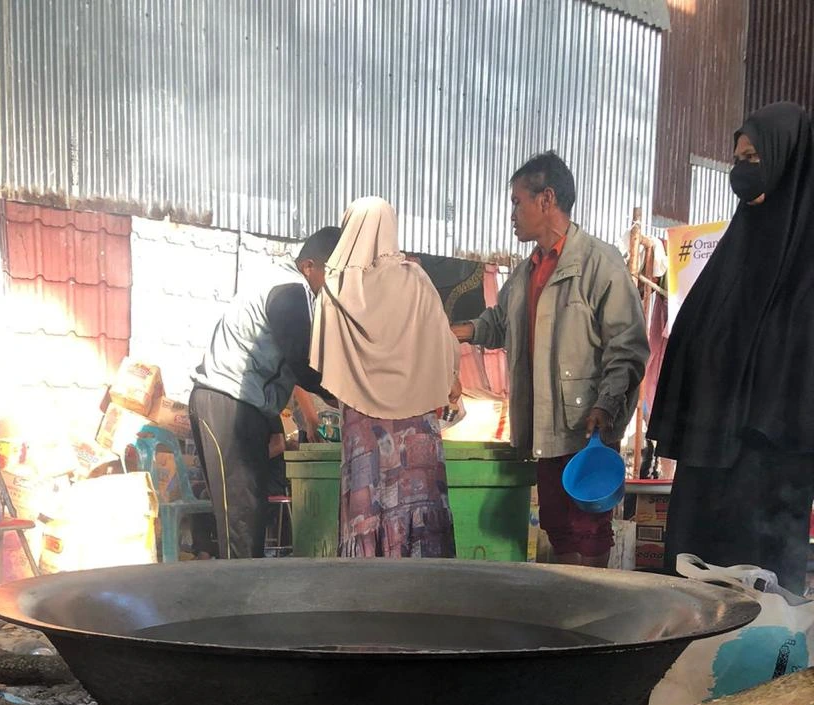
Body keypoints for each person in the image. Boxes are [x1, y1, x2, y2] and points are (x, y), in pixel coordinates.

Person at [452, 152, 648, 567]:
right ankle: (569, 617)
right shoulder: (526, 272)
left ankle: (591, 618)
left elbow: (627, 347)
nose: (512, 214)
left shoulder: (600, 263)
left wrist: (606, 405)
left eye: (517, 202)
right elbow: (498, 322)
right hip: (546, 425)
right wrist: (459, 332)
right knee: (558, 527)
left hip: (587, 426)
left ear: (547, 199)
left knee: (590, 529)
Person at [649, 103, 814, 594]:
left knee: (759, 608)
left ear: (790, 162)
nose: (741, 170)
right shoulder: (733, 255)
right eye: (738, 157)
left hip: (771, 479)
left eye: (754, 157)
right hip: (706, 466)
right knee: (693, 592)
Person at [310, 197, 460, 558]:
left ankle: (367, 591)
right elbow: (446, 351)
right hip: (417, 422)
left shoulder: (335, 289)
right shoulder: (417, 280)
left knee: (367, 510)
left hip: (363, 426)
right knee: (417, 506)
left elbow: (321, 360)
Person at [190, 226, 341, 558]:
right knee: (242, 524)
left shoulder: (283, 285)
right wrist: (341, 393)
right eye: (335, 273)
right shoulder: (291, 289)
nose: (337, 286)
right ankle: (241, 604)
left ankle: (243, 599)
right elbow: (301, 360)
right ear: (310, 267)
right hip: (228, 403)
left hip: (241, 406)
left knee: (249, 518)